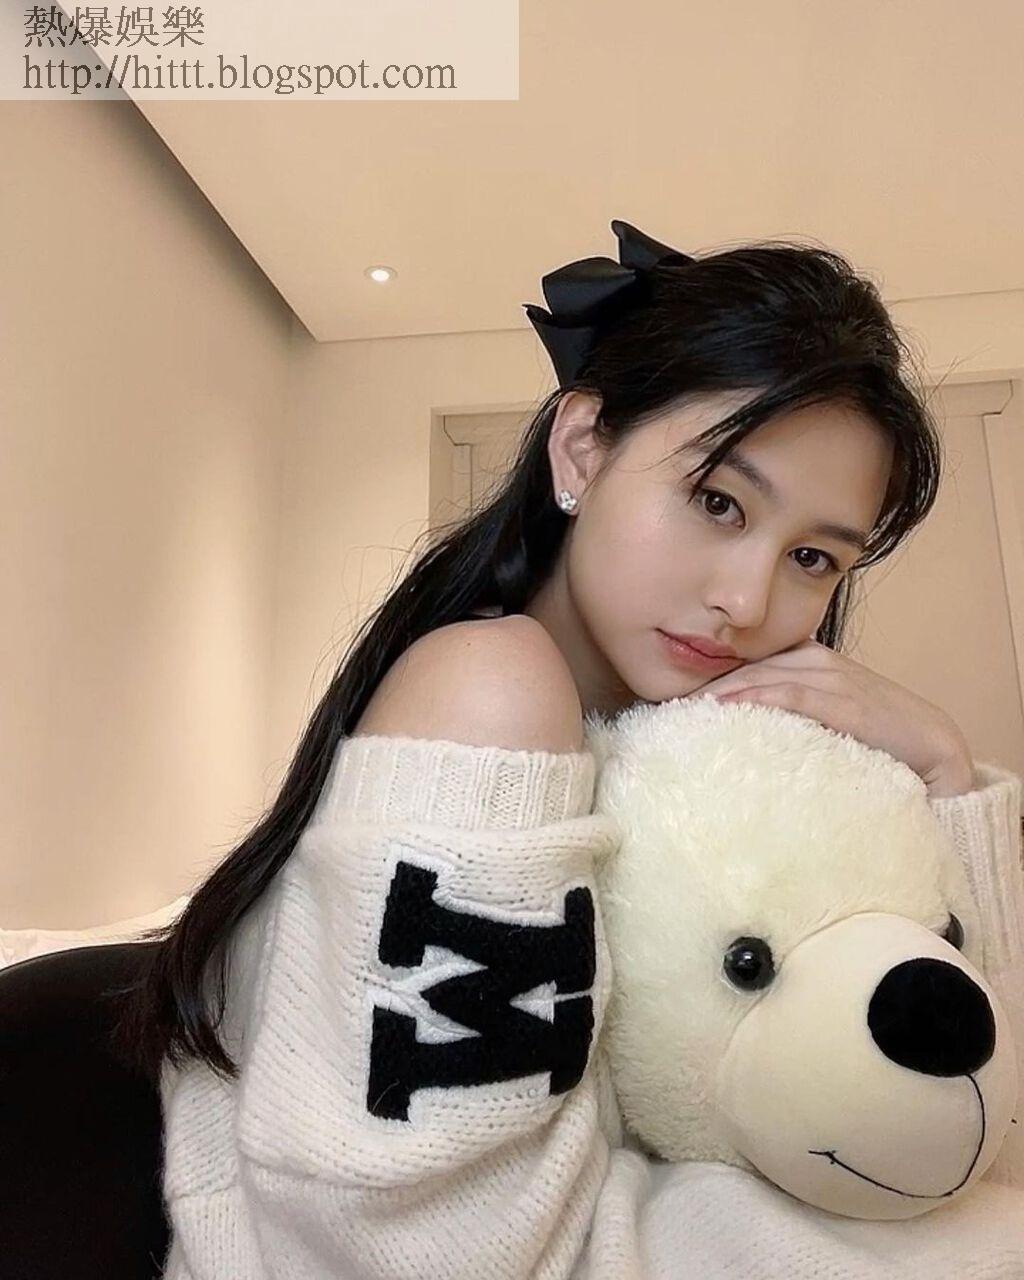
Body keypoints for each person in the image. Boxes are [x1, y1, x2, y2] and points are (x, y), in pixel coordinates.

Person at [117, 220, 1024, 1278]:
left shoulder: (708, 773)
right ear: (582, 446)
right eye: (717, 500)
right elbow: (429, 1252)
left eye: (814, 558)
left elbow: (972, 1139)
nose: (748, 599)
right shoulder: (490, 692)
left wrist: (946, 778)